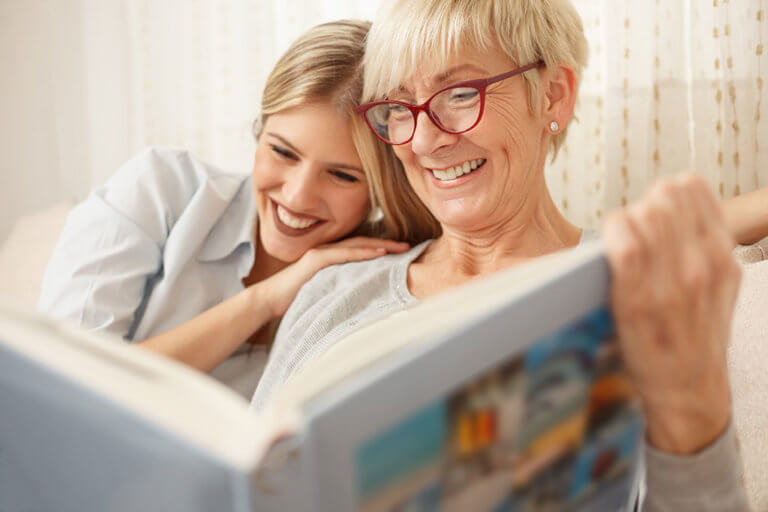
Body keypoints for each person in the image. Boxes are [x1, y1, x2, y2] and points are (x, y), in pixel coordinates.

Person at [251, 1, 756, 510]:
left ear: (553, 96)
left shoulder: (638, 295)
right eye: (399, 108)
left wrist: (695, 414)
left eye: (461, 94)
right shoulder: (332, 289)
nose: (424, 140)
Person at [38, 20, 408, 398]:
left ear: (381, 189)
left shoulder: (379, 279)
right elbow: (65, 383)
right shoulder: (161, 189)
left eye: (342, 176)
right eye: (282, 151)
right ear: (258, 132)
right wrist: (263, 300)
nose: (297, 197)